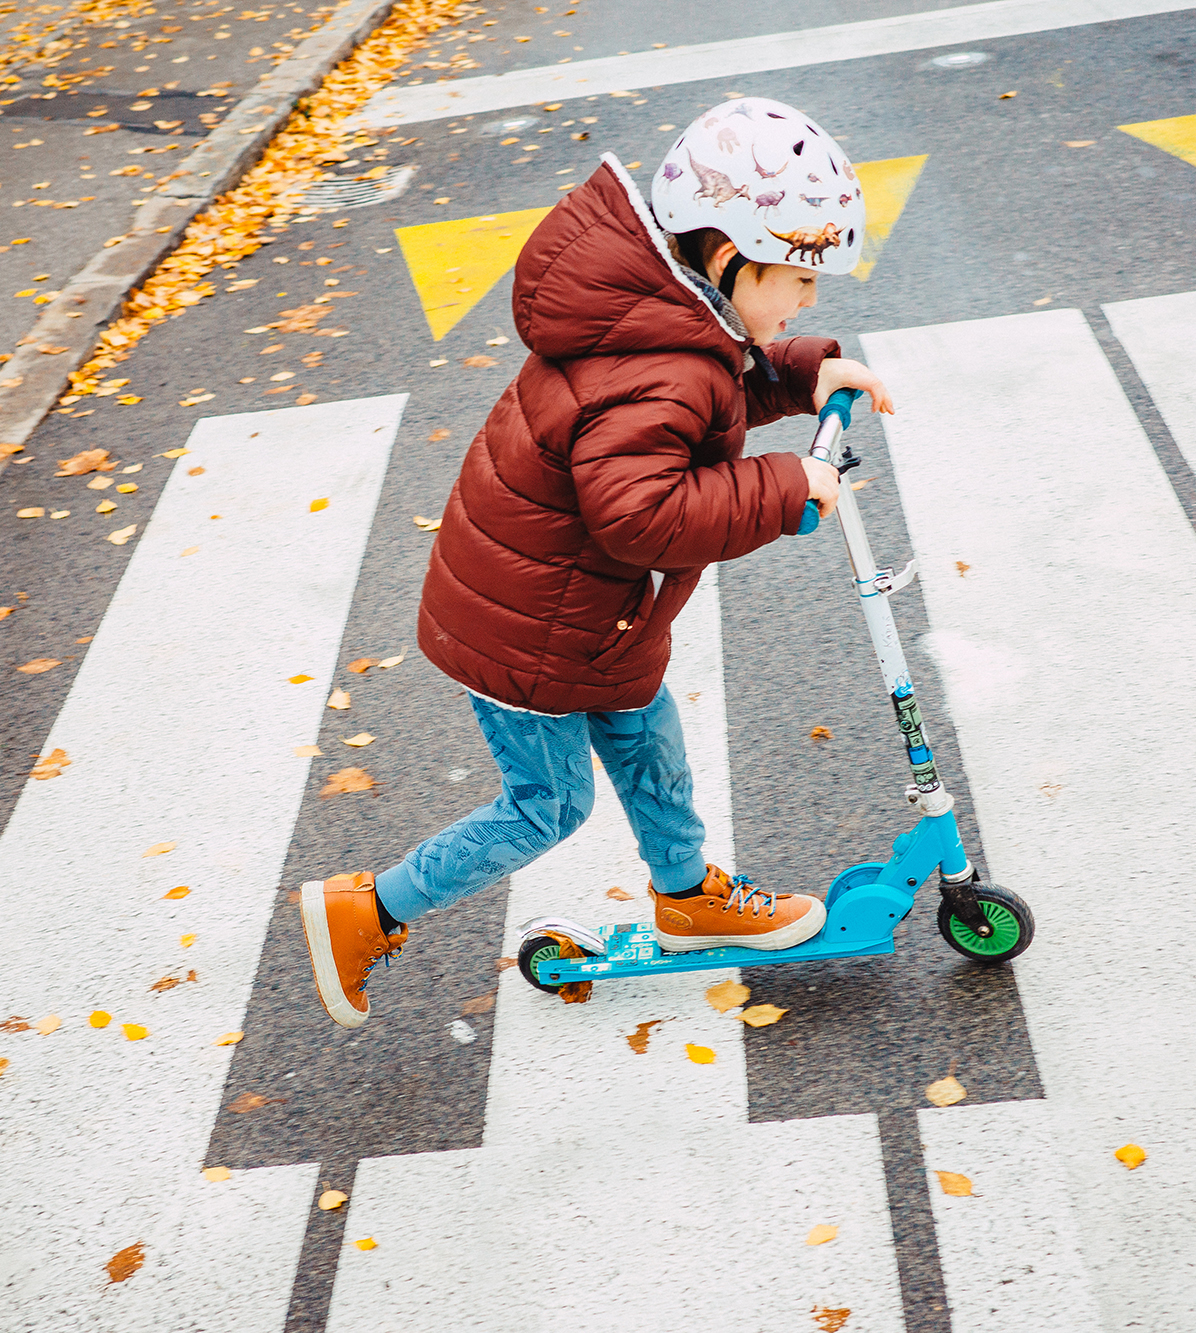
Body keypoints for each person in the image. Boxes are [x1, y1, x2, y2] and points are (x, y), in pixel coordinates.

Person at [301, 97, 894, 1028]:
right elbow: (641, 514)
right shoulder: (662, 357)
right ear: (730, 258)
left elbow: (718, 387)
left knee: (645, 727)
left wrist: (801, 371)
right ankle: (367, 909)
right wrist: (786, 485)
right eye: (797, 280)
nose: (808, 301)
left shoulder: (667, 316)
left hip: (577, 609)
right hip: (534, 630)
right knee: (546, 805)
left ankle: (687, 891)